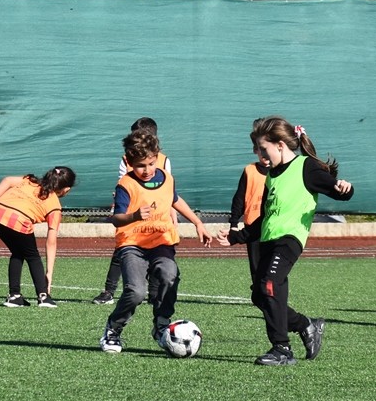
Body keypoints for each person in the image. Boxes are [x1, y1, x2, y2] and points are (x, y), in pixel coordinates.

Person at [219, 117, 353, 366]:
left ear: (280, 145)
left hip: (290, 239)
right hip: (269, 240)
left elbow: (336, 189)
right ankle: (306, 325)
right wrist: (236, 237)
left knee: (269, 285)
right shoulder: (272, 175)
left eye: (263, 148)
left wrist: (345, 188)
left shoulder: (306, 167)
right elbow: (264, 218)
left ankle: (282, 349)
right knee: (260, 296)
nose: (260, 154)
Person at [99, 130, 212, 353]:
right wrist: (134, 216)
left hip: (161, 241)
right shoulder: (126, 184)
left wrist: (198, 223)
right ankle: (113, 329)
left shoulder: (166, 178)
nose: (147, 170)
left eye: (151, 163)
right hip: (133, 244)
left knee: (169, 275)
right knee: (136, 292)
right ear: (129, 163)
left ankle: (161, 324)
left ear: (157, 157)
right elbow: (116, 219)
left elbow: (175, 199)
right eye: (141, 165)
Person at [92, 117, 172, 305]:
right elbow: (125, 182)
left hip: (156, 217)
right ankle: (109, 291)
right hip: (133, 215)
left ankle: (153, 293)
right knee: (123, 251)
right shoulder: (127, 159)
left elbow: (168, 190)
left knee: (157, 251)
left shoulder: (164, 160)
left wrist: (171, 215)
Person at [0, 166, 77, 308]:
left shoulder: (30, 181)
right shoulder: (54, 205)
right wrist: (49, 274)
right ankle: (43, 296)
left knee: (18, 252)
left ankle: (14, 296)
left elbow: (7, 180)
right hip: (19, 219)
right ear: (66, 189)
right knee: (33, 256)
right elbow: (51, 242)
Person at [227, 142, 270, 285]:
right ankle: (259, 293)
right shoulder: (249, 170)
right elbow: (239, 198)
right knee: (256, 266)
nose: (264, 154)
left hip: (272, 226)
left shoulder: (280, 171)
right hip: (253, 226)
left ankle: (272, 293)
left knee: (272, 263)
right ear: (255, 150)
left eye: (267, 149)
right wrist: (233, 223)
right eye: (260, 149)